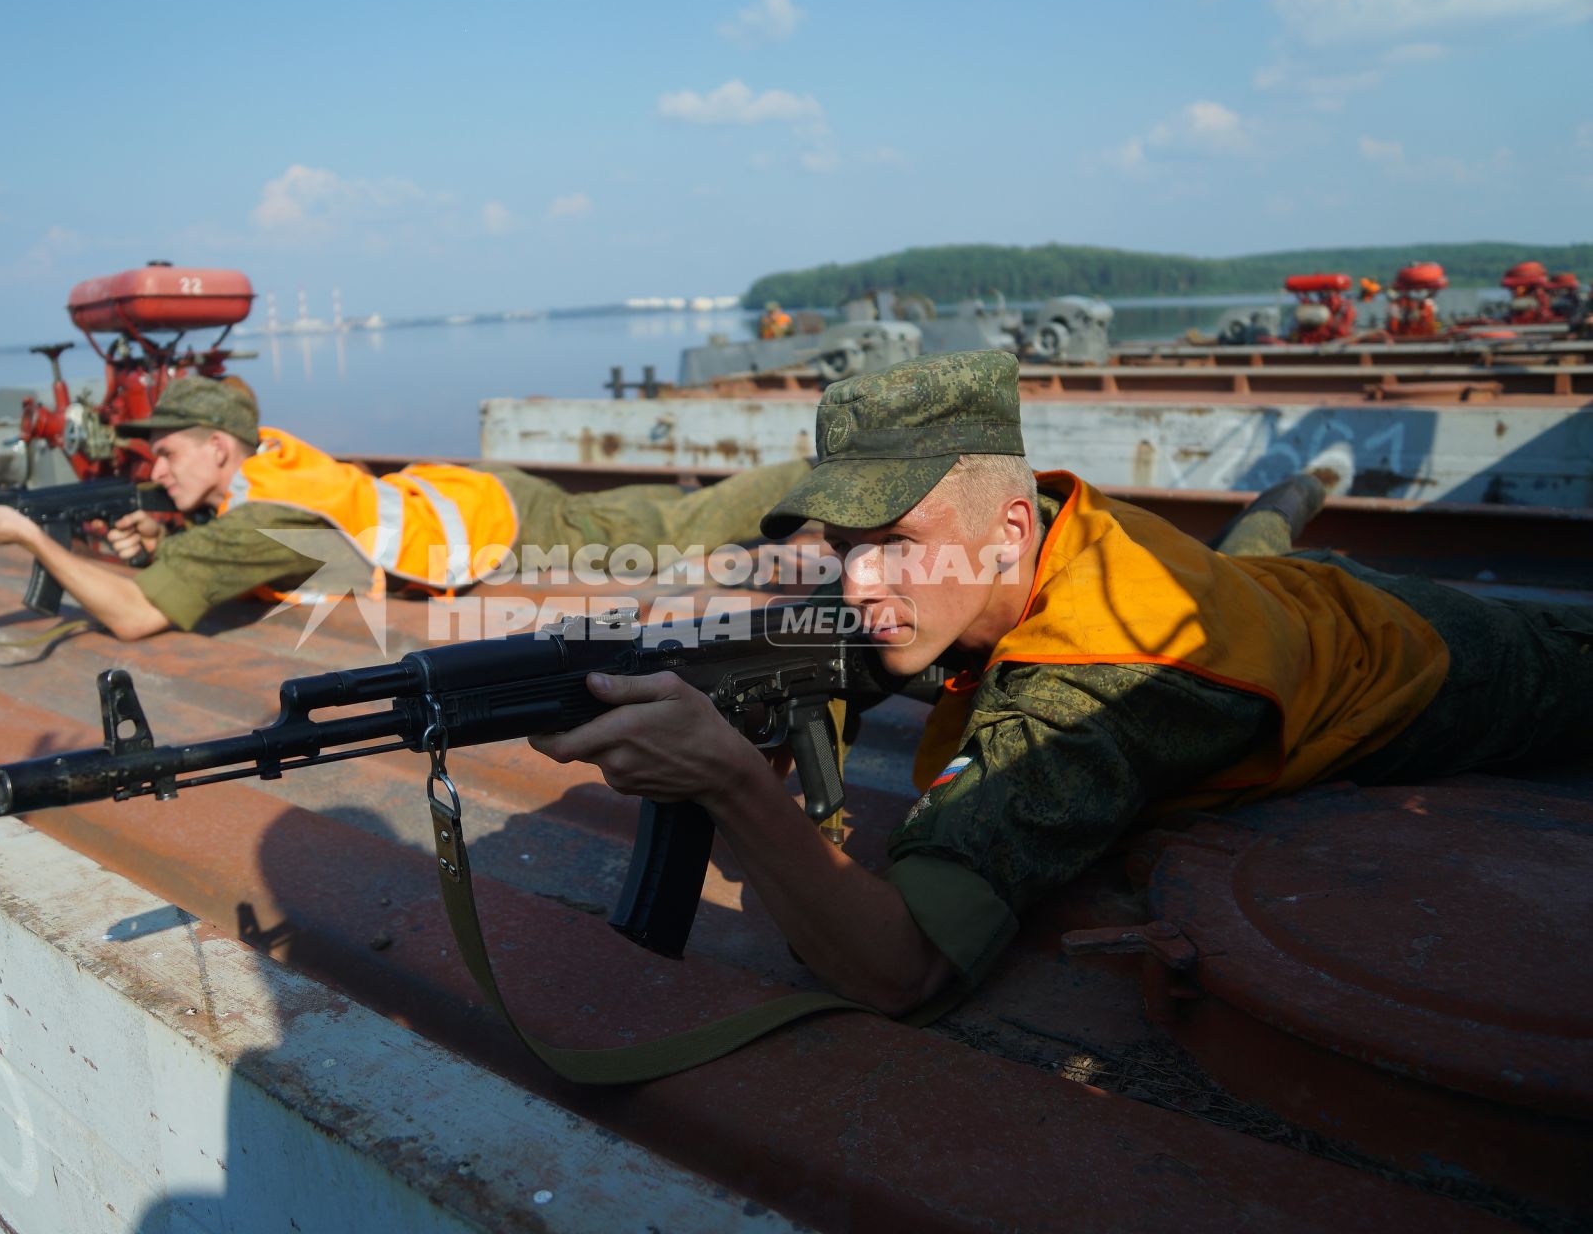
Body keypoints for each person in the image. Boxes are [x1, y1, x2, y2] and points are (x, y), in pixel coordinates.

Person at [528, 350, 1593, 1015]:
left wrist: (732, 783)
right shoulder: (1030, 530)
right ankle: (1296, 492)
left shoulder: (1098, 686)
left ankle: (1296, 495)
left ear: (1010, 527)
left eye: (895, 543)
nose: (857, 584)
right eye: (839, 544)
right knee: (1255, 546)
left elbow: (898, 971)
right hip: (1244, 583)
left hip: (1427, 653)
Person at [0, 377, 809, 639]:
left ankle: (821, 466)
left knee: (680, 530)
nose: (153, 467)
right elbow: (258, 525)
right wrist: (171, 524)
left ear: (215, 447)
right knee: (652, 509)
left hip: (504, 525)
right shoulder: (265, 461)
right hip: (471, 498)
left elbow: (132, 616)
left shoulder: (255, 517)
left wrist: (23, 531)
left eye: (165, 453)